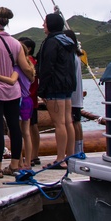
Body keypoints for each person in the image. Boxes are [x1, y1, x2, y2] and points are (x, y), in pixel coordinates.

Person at [0, 6, 35, 178]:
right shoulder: (16, 43)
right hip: (14, 92)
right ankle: (14, 165)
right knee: (14, 127)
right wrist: (31, 78)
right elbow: (25, 67)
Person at [37, 13, 77, 167]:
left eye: (45, 23)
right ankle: (70, 155)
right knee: (68, 122)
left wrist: (42, 89)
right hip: (67, 86)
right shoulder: (67, 42)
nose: (43, 25)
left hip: (55, 87)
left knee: (59, 123)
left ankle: (60, 159)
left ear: (51, 25)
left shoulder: (51, 42)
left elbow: (47, 67)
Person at [18, 37, 40, 166]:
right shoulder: (34, 63)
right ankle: (33, 156)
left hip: (23, 99)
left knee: (22, 130)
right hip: (31, 100)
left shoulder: (25, 63)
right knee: (32, 127)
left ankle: (23, 159)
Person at [65, 29, 86, 155]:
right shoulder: (77, 56)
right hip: (77, 94)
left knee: (72, 122)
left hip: (71, 95)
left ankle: (72, 151)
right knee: (77, 121)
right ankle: (79, 148)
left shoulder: (70, 57)